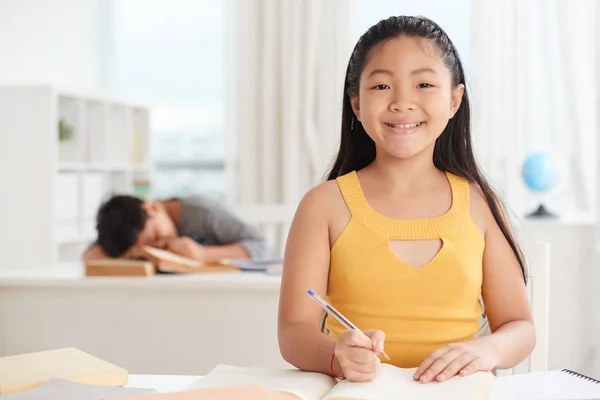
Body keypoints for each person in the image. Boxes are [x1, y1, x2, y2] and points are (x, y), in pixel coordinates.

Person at [278, 16, 535, 384]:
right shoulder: (323, 205)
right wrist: (337, 357)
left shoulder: (480, 203)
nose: (402, 102)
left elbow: (519, 326)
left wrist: (486, 350)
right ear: (356, 103)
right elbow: (293, 332)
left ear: (454, 99)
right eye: (382, 85)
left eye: (424, 84)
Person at [83, 194, 273, 263]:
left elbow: (263, 248)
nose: (160, 246)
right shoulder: (125, 228)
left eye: (156, 235)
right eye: (149, 247)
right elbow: (91, 255)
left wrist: (203, 255)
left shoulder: (202, 212)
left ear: (153, 207)